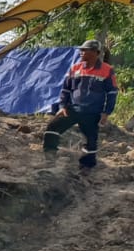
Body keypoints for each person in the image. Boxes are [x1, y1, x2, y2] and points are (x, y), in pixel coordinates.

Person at [44, 39, 118, 169]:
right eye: (81, 50)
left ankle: (86, 167)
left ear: (96, 53)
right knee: (52, 128)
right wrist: (62, 107)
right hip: (72, 109)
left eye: (85, 50)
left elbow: (112, 93)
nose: (81, 52)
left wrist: (106, 112)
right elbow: (65, 90)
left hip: (92, 112)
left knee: (90, 140)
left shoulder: (107, 70)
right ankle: (50, 160)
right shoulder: (75, 68)